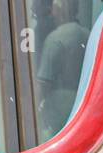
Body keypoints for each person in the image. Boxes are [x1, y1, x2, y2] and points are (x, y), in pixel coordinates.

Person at [36, 0, 89, 141]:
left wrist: (35, 111)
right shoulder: (88, 34)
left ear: (60, 11)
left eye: (54, 9)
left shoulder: (54, 39)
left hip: (58, 108)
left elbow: (44, 82)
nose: (52, 14)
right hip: (84, 103)